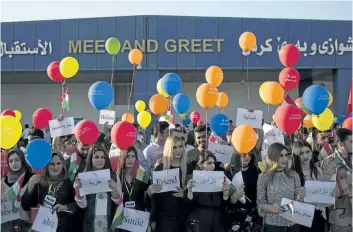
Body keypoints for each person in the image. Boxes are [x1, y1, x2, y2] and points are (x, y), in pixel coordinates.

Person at [21, 151, 77, 231]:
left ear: (63, 164)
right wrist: (31, 186)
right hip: (43, 227)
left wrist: (65, 207)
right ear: (46, 165)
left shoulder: (69, 182)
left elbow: (78, 206)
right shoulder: (39, 182)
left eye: (58, 163)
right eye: (51, 164)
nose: (55, 167)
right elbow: (26, 206)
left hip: (64, 228)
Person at [150, 136, 193, 232]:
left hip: (184, 219)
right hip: (165, 220)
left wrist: (185, 194)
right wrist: (152, 219)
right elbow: (154, 198)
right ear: (169, 149)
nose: (178, 150)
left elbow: (195, 197)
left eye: (180, 146)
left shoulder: (189, 169)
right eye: (174, 147)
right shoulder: (160, 169)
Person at [257, 143, 302, 232]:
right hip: (273, 225)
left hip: (292, 224)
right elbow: (260, 204)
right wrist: (272, 208)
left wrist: (301, 197)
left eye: (286, 155)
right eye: (281, 156)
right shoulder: (263, 177)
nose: (285, 159)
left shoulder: (294, 175)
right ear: (273, 156)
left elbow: (299, 201)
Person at [74, 145, 119, 232]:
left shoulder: (113, 177)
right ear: (91, 159)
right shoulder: (83, 178)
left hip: (109, 225)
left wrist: (114, 191)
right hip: (90, 225)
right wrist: (77, 191)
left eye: (102, 157)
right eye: (96, 157)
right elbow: (82, 205)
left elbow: (118, 203)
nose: (100, 160)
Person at [185, 151, 230, 232]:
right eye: (209, 163)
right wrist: (189, 191)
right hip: (199, 220)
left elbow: (224, 205)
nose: (213, 166)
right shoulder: (192, 179)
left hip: (217, 221)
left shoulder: (219, 178)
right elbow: (188, 205)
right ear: (200, 164)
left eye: (214, 163)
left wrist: (226, 195)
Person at [321, 128, 352, 232]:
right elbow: (329, 193)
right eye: (351, 141)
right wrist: (349, 179)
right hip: (341, 220)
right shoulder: (328, 163)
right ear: (340, 144)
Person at [226, 151, 261, 232]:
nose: (248, 157)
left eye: (250, 154)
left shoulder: (256, 170)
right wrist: (234, 197)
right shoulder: (229, 171)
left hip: (252, 214)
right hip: (235, 216)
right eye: (244, 154)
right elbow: (226, 199)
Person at [1, 149, 33, 232]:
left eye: (17, 160)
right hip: (7, 225)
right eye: (10, 161)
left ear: (22, 161)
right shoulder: (3, 183)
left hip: (27, 224)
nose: (14, 164)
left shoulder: (31, 179)